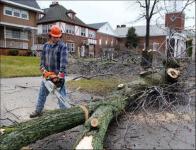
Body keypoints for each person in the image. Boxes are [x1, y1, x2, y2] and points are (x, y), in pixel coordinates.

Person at [30, 25, 68, 118]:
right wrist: (43, 70)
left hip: (57, 76)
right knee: (42, 93)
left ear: (60, 36)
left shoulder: (62, 46)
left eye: (58, 37)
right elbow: (42, 61)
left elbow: (64, 62)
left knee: (61, 97)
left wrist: (60, 76)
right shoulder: (46, 46)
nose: (56, 39)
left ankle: (65, 116)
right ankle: (38, 110)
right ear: (50, 35)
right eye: (54, 37)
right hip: (47, 76)